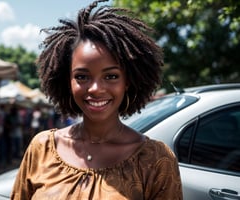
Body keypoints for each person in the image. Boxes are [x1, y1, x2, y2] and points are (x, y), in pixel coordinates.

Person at [11, 0, 183, 199]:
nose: (95, 89)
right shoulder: (42, 148)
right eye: (82, 76)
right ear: (68, 81)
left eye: (111, 76)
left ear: (128, 81)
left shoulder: (156, 160)